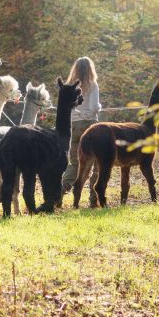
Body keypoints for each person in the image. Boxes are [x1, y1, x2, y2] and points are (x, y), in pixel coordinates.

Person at [60, 56, 101, 205]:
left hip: (73, 126)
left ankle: (59, 194)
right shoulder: (93, 84)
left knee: (74, 163)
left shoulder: (69, 85)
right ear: (90, 69)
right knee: (96, 163)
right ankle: (93, 199)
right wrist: (100, 108)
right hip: (90, 127)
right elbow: (94, 107)